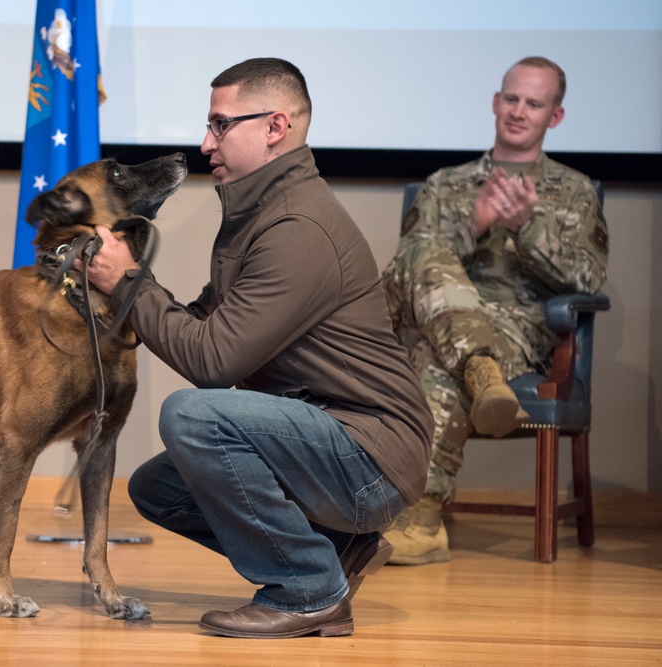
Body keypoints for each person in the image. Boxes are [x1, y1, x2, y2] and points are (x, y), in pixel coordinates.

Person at [81, 57, 433, 639]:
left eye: (221, 125)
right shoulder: (259, 212)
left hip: (369, 456)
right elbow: (203, 319)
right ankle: (337, 552)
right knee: (158, 489)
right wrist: (114, 301)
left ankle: (307, 589)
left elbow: (214, 362)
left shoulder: (298, 227)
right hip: (327, 437)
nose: (205, 142)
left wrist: (128, 282)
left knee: (191, 415)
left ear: (275, 127)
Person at [380, 56, 609, 565]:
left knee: (435, 357)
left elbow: (589, 281)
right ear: (494, 102)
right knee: (424, 254)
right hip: (439, 318)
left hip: (518, 328)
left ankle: (416, 515)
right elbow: (408, 268)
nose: (519, 111)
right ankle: (479, 371)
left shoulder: (573, 191)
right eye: (511, 99)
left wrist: (529, 229)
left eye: (534, 103)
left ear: (556, 116)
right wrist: (474, 225)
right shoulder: (446, 184)